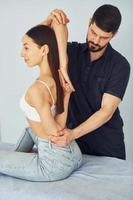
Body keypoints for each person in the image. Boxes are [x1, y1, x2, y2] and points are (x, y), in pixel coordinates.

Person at [44, 4, 130, 160]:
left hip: (107, 147)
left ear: (114, 35)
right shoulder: (70, 52)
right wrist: (48, 20)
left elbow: (106, 111)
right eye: (93, 32)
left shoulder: (120, 65)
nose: (96, 40)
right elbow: (35, 42)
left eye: (104, 37)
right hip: (74, 145)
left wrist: (72, 134)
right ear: (90, 22)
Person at [0, 24, 82, 181]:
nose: (21, 54)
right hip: (74, 154)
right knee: (30, 130)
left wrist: (66, 96)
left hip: (53, 165)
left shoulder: (37, 90)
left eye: (26, 48)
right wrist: (66, 96)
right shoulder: (58, 77)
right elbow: (60, 125)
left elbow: (55, 132)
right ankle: (13, 158)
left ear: (44, 50)